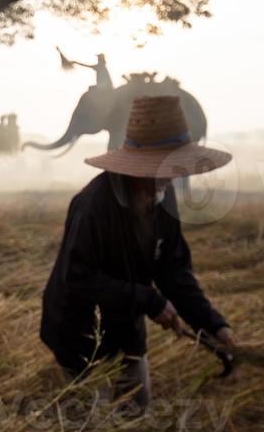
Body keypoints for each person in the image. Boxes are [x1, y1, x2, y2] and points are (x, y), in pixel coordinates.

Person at [40, 95, 234, 412]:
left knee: (136, 409)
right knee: (94, 422)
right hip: (79, 331)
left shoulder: (163, 195)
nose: (174, 175)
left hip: (124, 326)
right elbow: (78, 280)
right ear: (142, 166)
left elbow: (173, 271)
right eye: (168, 166)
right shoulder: (94, 205)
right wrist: (149, 300)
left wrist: (213, 326)